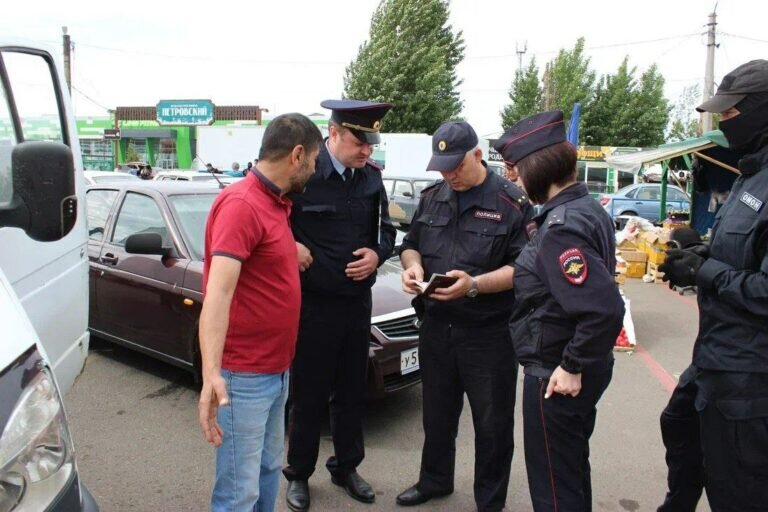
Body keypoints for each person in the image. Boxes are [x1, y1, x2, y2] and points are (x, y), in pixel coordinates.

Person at [396, 121, 533, 511]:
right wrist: (413, 267)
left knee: (492, 425)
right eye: (441, 167)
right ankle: (434, 480)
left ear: (478, 154)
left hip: (488, 335)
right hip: (437, 327)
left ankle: (490, 501)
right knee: (437, 417)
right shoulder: (433, 196)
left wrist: (474, 285)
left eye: (455, 165)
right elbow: (410, 244)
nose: (448, 174)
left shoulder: (512, 204)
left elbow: (524, 268)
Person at [657, 59, 768, 511]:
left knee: (737, 488)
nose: (722, 122)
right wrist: (698, 253)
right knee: (680, 429)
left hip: (749, 375)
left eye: (731, 114)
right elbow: (740, 251)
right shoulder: (751, 174)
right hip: (715, 358)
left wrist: (704, 273)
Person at [197, 113, 323, 512]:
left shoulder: (276, 204)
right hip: (244, 375)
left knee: (268, 470)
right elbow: (217, 296)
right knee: (239, 491)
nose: (316, 170)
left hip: (274, 370)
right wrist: (211, 374)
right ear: (297, 155)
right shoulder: (242, 205)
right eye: (316, 160)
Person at [503, 111, 625, 511]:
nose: (516, 181)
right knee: (570, 471)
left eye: (518, 170)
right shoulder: (585, 209)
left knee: (554, 485)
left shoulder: (561, 226)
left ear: (537, 167)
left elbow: (603, 309)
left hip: (556, 371)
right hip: (573, 363)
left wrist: (572, 365)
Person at [283, 99, 396, 511]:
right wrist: (289, 245)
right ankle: (298, 474)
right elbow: (272, 220)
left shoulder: (371, 180)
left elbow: (387, 230)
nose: (366, 150)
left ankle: (346, 466)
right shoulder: (305, 176)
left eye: (371, 142)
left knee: (352, 391)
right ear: (332, 134)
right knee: (308, 393)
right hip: (314, 305)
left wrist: (377, 255)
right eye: (358, 141)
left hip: (355, 304)